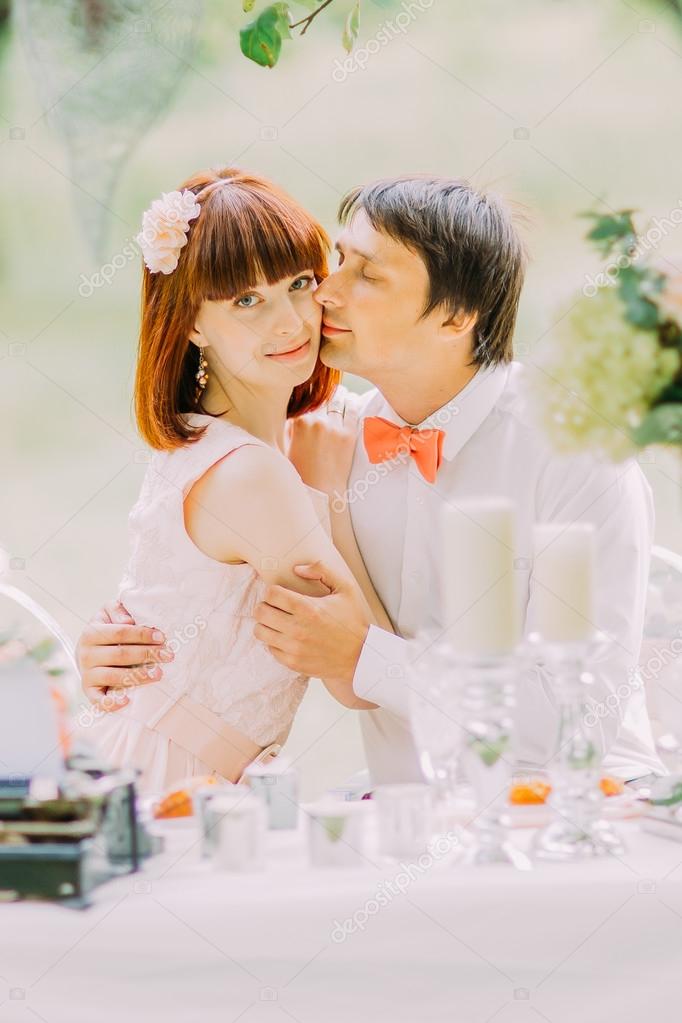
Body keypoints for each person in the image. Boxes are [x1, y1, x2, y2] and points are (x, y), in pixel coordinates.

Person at [78, 174, 664, 786]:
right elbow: (196, 572)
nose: (325, 292)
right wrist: (118, 649)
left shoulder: (576, 459)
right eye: (337, 260)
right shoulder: (327, 442)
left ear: (456, 317)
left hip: (581, 802)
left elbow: (577, 725)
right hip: (407, 807)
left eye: (368, 276)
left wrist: (369, 658)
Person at [75, 166, 392, 792]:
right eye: (246, 301)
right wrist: (330, 494)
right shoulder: (250, 472)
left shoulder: (216, 438)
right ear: (192, 322)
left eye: (299, 284)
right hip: (170, 776)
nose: (289, 322)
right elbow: (359, 678)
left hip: (176, 764)